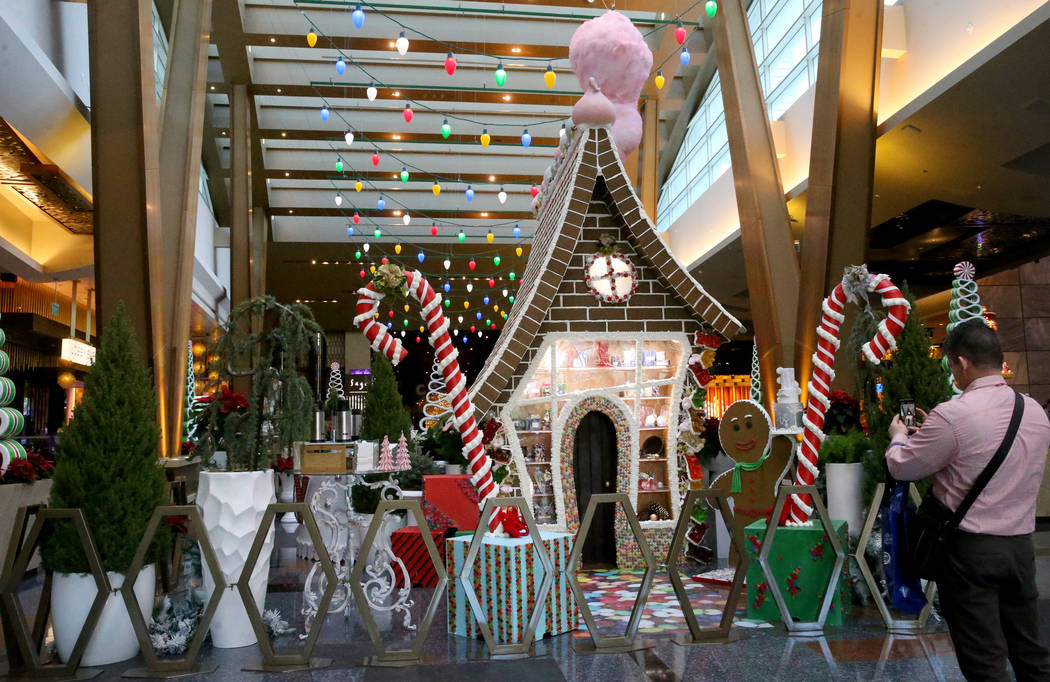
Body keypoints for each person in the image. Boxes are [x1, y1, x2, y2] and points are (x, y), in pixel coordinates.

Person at [885, 318, 1050, 680]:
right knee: (1031, 651)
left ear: (961, 362)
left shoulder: (953, 415)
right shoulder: (1035, 411)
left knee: (984, 658)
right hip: (1021, 548)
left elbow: (903, 468)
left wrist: (899, 435)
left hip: (970, 552)